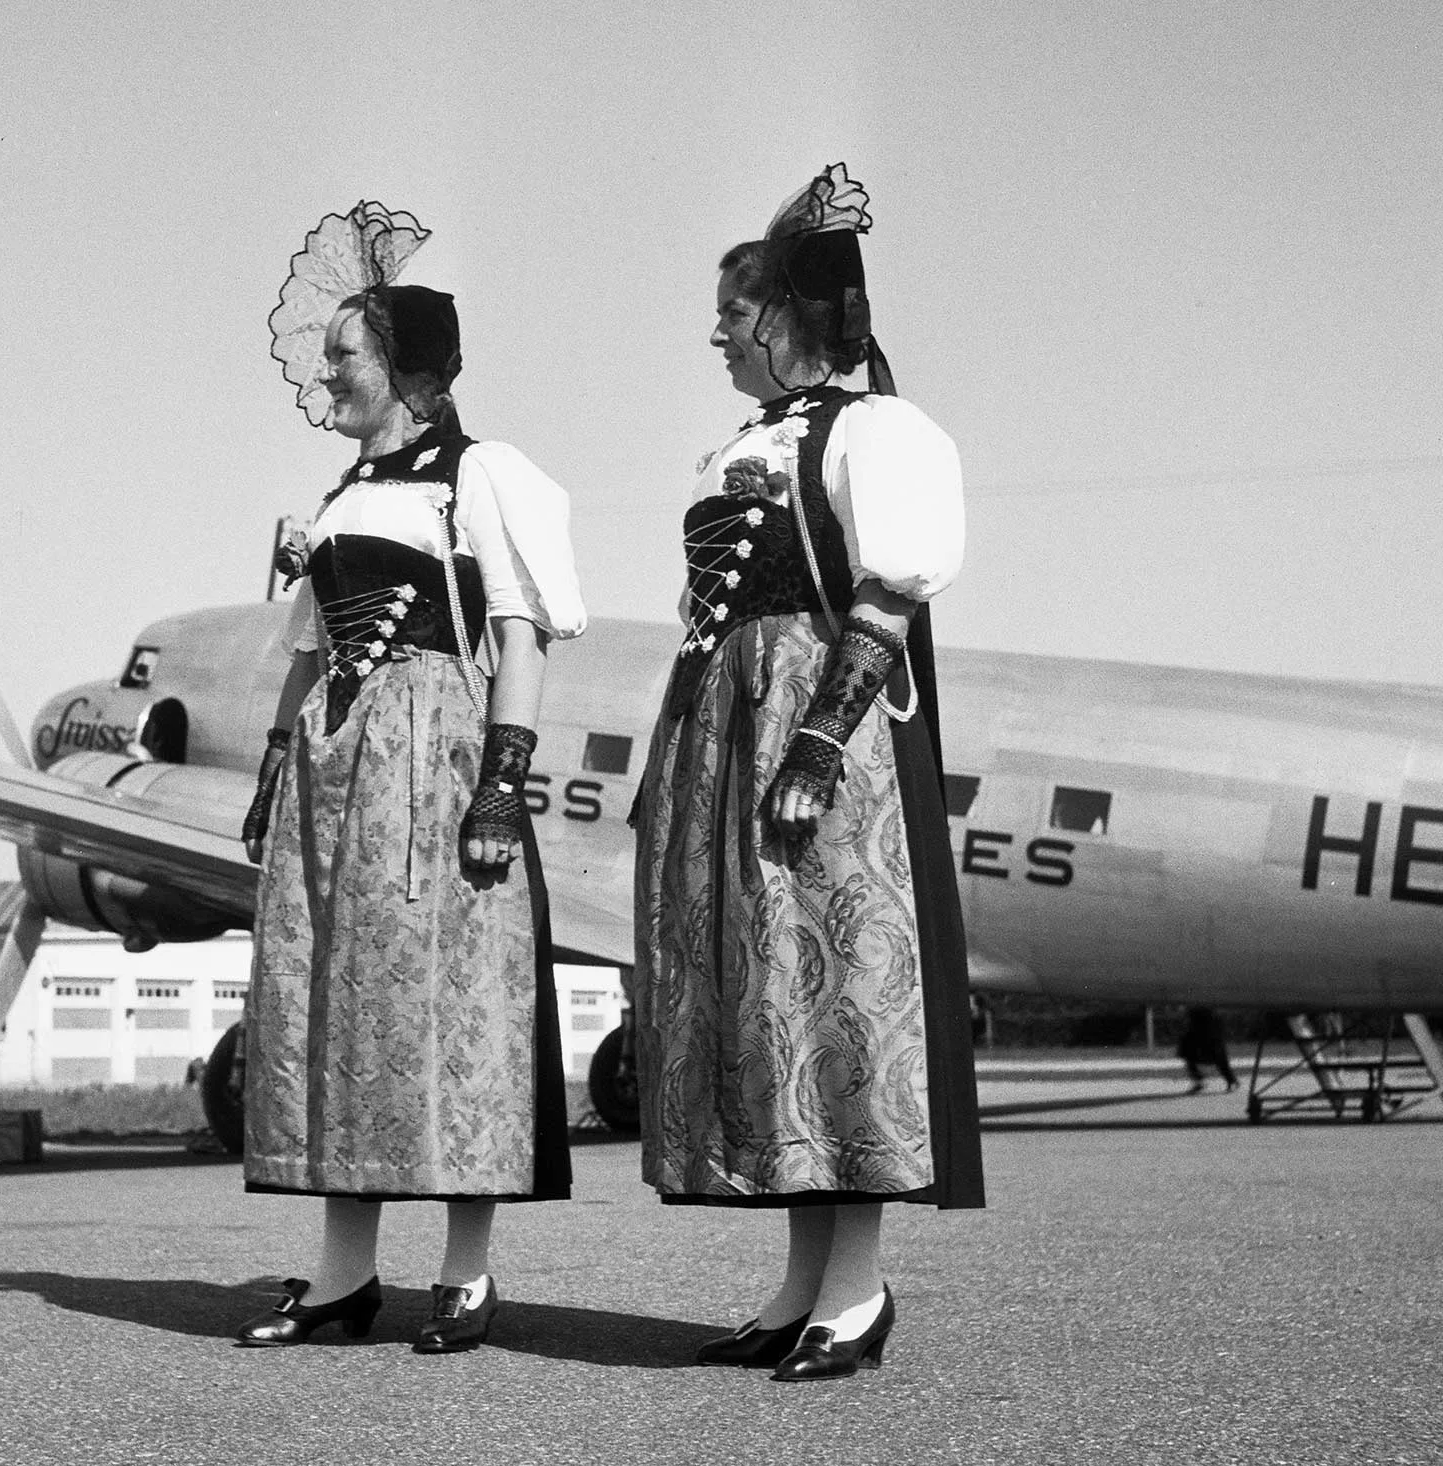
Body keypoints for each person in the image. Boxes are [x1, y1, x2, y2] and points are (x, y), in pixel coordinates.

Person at [632, 165, 984, 1382]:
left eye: (735, 311)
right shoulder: (741, 444)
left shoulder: (876, 431)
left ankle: (857, 1291)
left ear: (786, 314)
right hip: (727, 728)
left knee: (836, 994)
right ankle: (798, 1287)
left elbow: (885, 592)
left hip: (812, 738)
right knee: (769, 997)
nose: (721, 332)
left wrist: (821, 740)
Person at [234, 202, 586, 1355]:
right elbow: (304, 649)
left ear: (403, 370)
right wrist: (274, 766)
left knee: (447, 1009)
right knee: (340, 1008)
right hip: (335, 767)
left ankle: (467, 1273)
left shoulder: (478, 477)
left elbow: (521, 633)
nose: (326, 370)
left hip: (428, 751)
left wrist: (501, 783)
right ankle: (342, 1276)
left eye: (345, 353)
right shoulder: (338, 495)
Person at [1178, 1007, 1238, 1092]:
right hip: (1198, 1024)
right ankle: (1199, 1081)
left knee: (1218, 1056)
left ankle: (1231, 1081)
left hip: (1209, 1026)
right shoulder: (1193, 1011)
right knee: (1188, 1054)